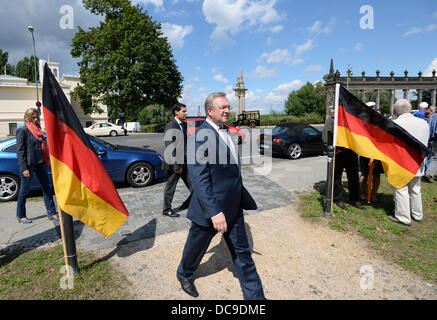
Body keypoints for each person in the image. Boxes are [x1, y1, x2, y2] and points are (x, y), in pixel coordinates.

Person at [176, 92, 265, 300]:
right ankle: (184, 273)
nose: (227, 110)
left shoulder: (227, 131)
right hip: (210, 210)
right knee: (196, 247)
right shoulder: (200, 136)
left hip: (233, 206)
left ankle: (256, 299)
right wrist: (215, 212)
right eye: (222, 107)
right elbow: (199, 178)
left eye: (228, 106)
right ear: (210, 110)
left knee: (243, 255)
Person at [388, 99, 429, 226]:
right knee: (416, 189)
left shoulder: (394, 124)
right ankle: (417, 214)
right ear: (410, 108)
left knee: (401, 189)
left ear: (395, 111)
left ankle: (403, 217)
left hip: (401, 162)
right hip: (418, 161)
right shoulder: (423, 123)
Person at [16, 108, 58, 224]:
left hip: (41, 163)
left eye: (37, 117)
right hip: (29, 165)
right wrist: (24, 168)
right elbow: (20, 151)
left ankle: (51, 212)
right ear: (27, 117)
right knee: (24, 190)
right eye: (33, 117)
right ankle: (21, 215)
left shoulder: (39, 129)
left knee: (47, 188)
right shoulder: (23, 130)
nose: (35, 119)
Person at [322, 107, 364, 210]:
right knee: (336, 178)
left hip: (352, 152)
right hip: (339, 153)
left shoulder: (352, 120)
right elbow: (326, 136)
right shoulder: (332, 120)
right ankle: (338, 199)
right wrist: (332, 150)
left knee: (354, 177)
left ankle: (354, 199)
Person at [162, 102, 191, 217]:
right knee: (170, 187)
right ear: (176, 112)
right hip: (175, 164)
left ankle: (196, 205)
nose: (186, 113)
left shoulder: (183, 125)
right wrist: (177, 166)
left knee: (193, 185)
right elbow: (170, 148)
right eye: (183, 111)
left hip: (184, 162)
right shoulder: (170, 126)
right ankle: (166, 210)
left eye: (185, 111)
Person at [359, 102, 383, 203]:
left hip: (377, 151)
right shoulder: (362, 119)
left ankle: (373, 194)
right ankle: (363, 193)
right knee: (364, 174)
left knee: (376, 175)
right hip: (365, 151)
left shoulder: (380, 122)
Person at [423, 110, 437, 182]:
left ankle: (428, 173)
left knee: (435, 158)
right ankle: (429, 173)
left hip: (432, 139)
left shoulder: (432, 116)